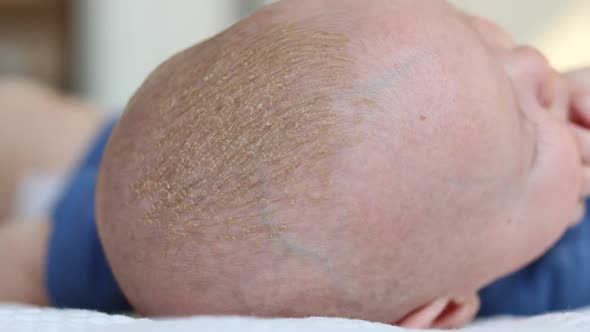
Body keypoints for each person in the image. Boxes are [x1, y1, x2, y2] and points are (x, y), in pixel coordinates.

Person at [2, 0, 590, 329]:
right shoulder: (567, 277)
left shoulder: (154, 194)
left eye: (486, 39)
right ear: (439, 316)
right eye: (530, 144)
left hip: (136, 156)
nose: (539, 66)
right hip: (120, 213)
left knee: (43, 127)